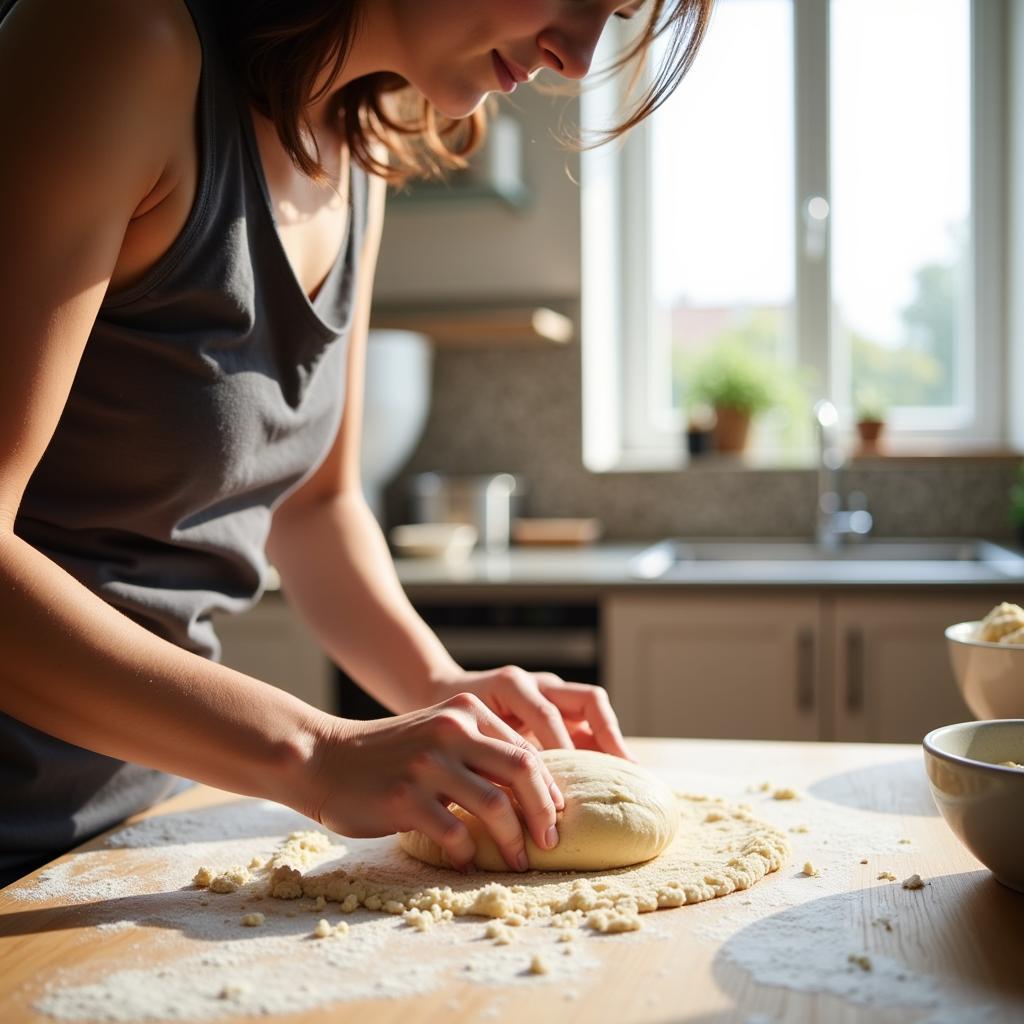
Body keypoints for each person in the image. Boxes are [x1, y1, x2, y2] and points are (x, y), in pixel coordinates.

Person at [0, 0, 711, 887]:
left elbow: (319, 508)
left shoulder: (352, 162)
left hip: (127, 835)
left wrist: (440, 682)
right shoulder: (116, 40)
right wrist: (317, 754)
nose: (576, 54)